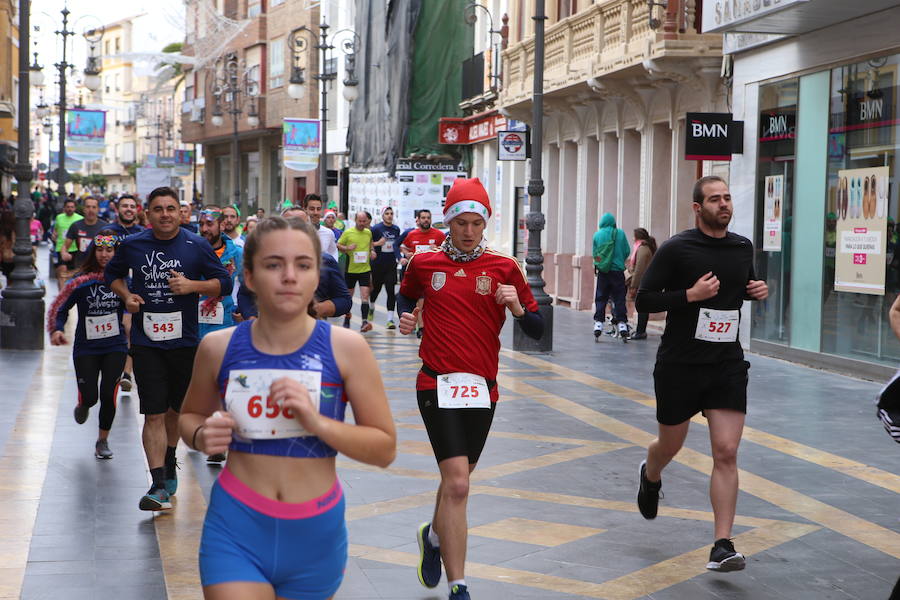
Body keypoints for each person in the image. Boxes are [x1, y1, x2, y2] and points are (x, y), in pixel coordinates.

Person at [178, 216, 396, 599]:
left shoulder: (348, 349)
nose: (289, 276)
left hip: (315, 536)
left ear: (317, 275)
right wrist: (201, 434)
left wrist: (317, 422)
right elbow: (189, 417)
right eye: (274, 264)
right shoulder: (218, 347)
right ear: (249, 276)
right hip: (236, 526)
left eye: (303, 265)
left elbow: (383, 448)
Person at [397, 178, 543, 600]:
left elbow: (536, 327)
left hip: (483, 388)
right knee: (459, 483)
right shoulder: (423, 264)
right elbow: (407, 298)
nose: (468, 230)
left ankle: (434, 537)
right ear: (449, 222)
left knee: (454, 479)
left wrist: (516, 306)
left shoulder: (504, 268)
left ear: (486, 223)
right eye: (460, 222)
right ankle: (458, 584)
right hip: (435, 382)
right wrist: (408, 317)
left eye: (476, 222)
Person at [635, 175, 768, 572]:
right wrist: (688, 296)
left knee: (726, 452)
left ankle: (722, 544)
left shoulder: (742, 246)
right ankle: (651, 473)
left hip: (726, 364)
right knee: (669, 446)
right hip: (680, 364)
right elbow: (642, 298)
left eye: (727, 197)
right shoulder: (677, 248)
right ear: (698, 208)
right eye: (714, 199)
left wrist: (755, 290)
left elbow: (740, 285)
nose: (724, 204)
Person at [105, 186, 234, 511]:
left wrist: (193, 286)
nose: (165, 214)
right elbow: (112, 275)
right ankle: (158, 484)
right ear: (148, 214)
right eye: (158, 209)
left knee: (177, 410)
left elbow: (225, 282)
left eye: (171, 208)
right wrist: (127, 296)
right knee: (153, 412)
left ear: (181, 213)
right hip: (147, 344)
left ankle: (170, 456)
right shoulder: (133, 245)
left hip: (185, 343)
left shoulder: (196, 245)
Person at [48, 230, 127, 459]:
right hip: (86, 347)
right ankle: (83, 403)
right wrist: (58, 329)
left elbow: (138, 305)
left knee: (108, 393)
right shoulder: (81, 281)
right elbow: (61, 308)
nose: (104, 255)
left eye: (109, 250)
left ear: (116, 253)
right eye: (100, 250)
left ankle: (102, 440)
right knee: (91, 395)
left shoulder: (124, 281)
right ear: (93, 252)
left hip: (115, 345)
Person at [197, 207, 243, 339]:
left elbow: (248, 286)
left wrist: (243, 310)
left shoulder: (237, 253)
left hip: (224, 326)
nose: (204, 229)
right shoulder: (190, 250)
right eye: (201, 224)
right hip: (194, 328)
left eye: (209, 224)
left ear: (222, 225)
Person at [592, 212, 631, 338]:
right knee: (619, 297)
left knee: (601, 297)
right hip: (618, 272)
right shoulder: (620, 233)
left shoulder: (597, 235)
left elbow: (595, 255)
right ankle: (622, 323)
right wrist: (618, 260)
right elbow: (627, 251)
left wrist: (601, 263)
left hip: (603, 272)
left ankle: (598, 323)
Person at [337, 211, 375, 332]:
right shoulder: (348, 233)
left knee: (365, 295)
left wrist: (372, 251)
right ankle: (347, 318)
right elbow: (338, 245)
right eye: (360, 221)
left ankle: (364, 322)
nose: (362, 223)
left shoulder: (368, 232)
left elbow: (370, 245)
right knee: (349, 297)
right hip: (351, 270)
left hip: (365, 269)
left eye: (364, 221)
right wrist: (347, 248)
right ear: (355, 220)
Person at [370, 206, 401, 328]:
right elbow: (367, 243)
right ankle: (371, 306)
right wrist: (378, 243)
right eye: (387, 213)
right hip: (378, 264)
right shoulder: (376, 229)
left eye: (391, 213)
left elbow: (397, 245)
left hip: (391, 265)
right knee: (376, 289)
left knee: (390, 291)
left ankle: (390, 320)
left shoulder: (396, 229)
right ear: (382, 215)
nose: (389, 215)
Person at [626, 228, 657, 340]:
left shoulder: (643, 249)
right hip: (644, 281)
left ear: (638, 237)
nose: (633, 238)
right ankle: (640, 330)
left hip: (643, 282)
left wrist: (634, 285)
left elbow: (639, 270)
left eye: (634, 236)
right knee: (642, 307)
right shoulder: (643, 247)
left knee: (642, 308)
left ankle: (641, 331)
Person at [64, 197, 109, 268]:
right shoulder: (76, 226)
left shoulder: (105, 227)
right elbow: (65, 246)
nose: (91, 210)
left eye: (94, 207)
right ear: (83, 209)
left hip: (100, 268)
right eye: (88, 207)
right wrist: (64, 253)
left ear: (98, 209)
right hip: (81, 267)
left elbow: (111, 249)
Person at [52, 198, 84, 288]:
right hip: (61, 248)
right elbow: (56, 230)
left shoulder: (80, 218)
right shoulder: (59, 217)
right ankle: (62, 295)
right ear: (64, 208)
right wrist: (54, 236)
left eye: (72, 207)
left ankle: (70, 292)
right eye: (68, 207)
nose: (70, 209)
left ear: (75, 208)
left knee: (73, 273)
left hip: (75, 249)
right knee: (62, 271)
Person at [303, 194, 339, 261]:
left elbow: (333, 252)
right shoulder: (298, 232)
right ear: (305, 209)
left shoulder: (328, 233)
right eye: (312, 209)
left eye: (318, 209)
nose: (316, 212)